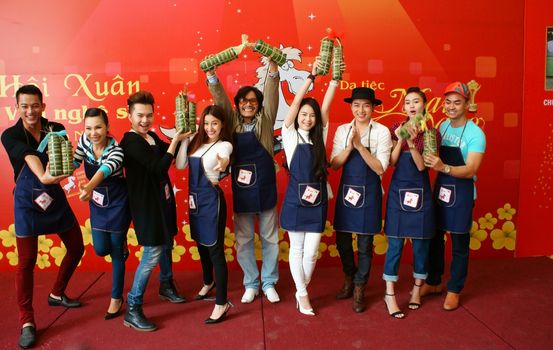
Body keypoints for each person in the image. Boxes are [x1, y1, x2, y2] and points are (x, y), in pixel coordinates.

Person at [1, 85, 85, 348]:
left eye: (35, 105)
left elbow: (63, 158)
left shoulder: (54, 128)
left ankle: (57, 293)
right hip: (26, 201)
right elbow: (28, 156)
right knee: (26, 262)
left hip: (54, 195)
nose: (30, 111)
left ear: (43, 106)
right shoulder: (10, 134)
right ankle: (27, 320)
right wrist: (43, 175)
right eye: (24, 106)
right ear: (17, 107)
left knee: (76, 246)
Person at [205, 58, 281, 303]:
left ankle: (269, 282)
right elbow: (221, 101)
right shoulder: (233, 123)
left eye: (253, 101)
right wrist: (212, 76)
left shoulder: (266, 121)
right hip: (243, 191)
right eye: (243, 101)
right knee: (244, 240)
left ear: (259, 105)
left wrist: (273, 70)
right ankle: (251, 283)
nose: (248, 104)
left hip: (266, 189)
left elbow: (271, 96)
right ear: (237, 106)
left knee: (270, 239)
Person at [120, 91, 189, 331]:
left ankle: (166, 285)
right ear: (129, 115)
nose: (145, 120)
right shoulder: (130, 141)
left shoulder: (150, 136)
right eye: (140, 115)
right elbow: (159, 168)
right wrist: (175, 140)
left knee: (167, 243)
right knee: (152, 254)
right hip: (146, 207)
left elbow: (171, 154)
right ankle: (133, 307)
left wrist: (184, 136)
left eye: (149, 115)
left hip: (163, 201)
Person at [280, 59, 337, 315]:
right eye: (303, 114)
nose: (307, 118)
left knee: (311, 253)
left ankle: (300, 288)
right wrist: (311, 77)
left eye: (311, 115)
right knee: (297, 249)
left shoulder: (320, 136)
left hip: (316, 202)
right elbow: (294, 105)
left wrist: (334, 80)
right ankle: (303, 295)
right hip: (294, 200)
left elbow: (326, 106)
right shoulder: (290, 135)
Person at [422, 81, 486, 311]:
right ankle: (433, 281)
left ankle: (454, 289)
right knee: (435, 238)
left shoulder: (475, 134)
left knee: (459, 243)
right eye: (448, 102)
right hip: (441, 190)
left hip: (462, 193)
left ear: (467, 104)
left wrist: (444, 168)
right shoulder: (442, 128)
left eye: (457, 102)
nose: (451, 106)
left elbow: (471, 169)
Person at [330, 87, 392, 313]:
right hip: (347, 193)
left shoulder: (382, 132)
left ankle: (359, 287)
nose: (361, 110)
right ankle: (349, 277)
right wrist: (349, 146)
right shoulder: (342, 130)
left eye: (366, 105)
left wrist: (359, 146)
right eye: (356, 105)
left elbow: (380, 167)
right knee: (342, 242)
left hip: (370, 193)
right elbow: (335, 164)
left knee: (365, 245)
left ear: (373, 107)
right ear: (351, 107)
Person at [382, 87, 441, 318]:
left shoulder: (431, 134)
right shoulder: (395, 129)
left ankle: (417, 290)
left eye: (416, 101)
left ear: (425, 105)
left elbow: (421, 167)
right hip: (398, 193)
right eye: (408, 102)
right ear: (403, 107)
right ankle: (390, 295)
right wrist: (400, 140)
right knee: (395, 246)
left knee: (420, 246)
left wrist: (413, 144)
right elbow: (392, 162)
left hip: (421, 193)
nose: (412, 105)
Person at [176, 105, 233, 324]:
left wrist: (224, 162)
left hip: (211, 202)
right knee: (200, 243)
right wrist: (183, 139)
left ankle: (222, 303)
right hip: (194, 202)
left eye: (215, 123)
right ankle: (208, 282)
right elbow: (181, 165)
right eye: (207, 123)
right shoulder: (195, 144)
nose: (210, 128)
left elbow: (225, 156)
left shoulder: (224, 144)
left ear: (222, 125)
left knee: (215, 249)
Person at [73, 107, 131, 320]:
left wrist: (88, 187)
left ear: (107, 128)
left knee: (115, 252)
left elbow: (104, 170)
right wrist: (58, 170)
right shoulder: (84, 141)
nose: (93, 132)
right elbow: (74, 161)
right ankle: (121, 245)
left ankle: (116, 298)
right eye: (89, 128)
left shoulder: (116, 150)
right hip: (97, 204)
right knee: (100, 248)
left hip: (117, 203)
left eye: (98, 127)